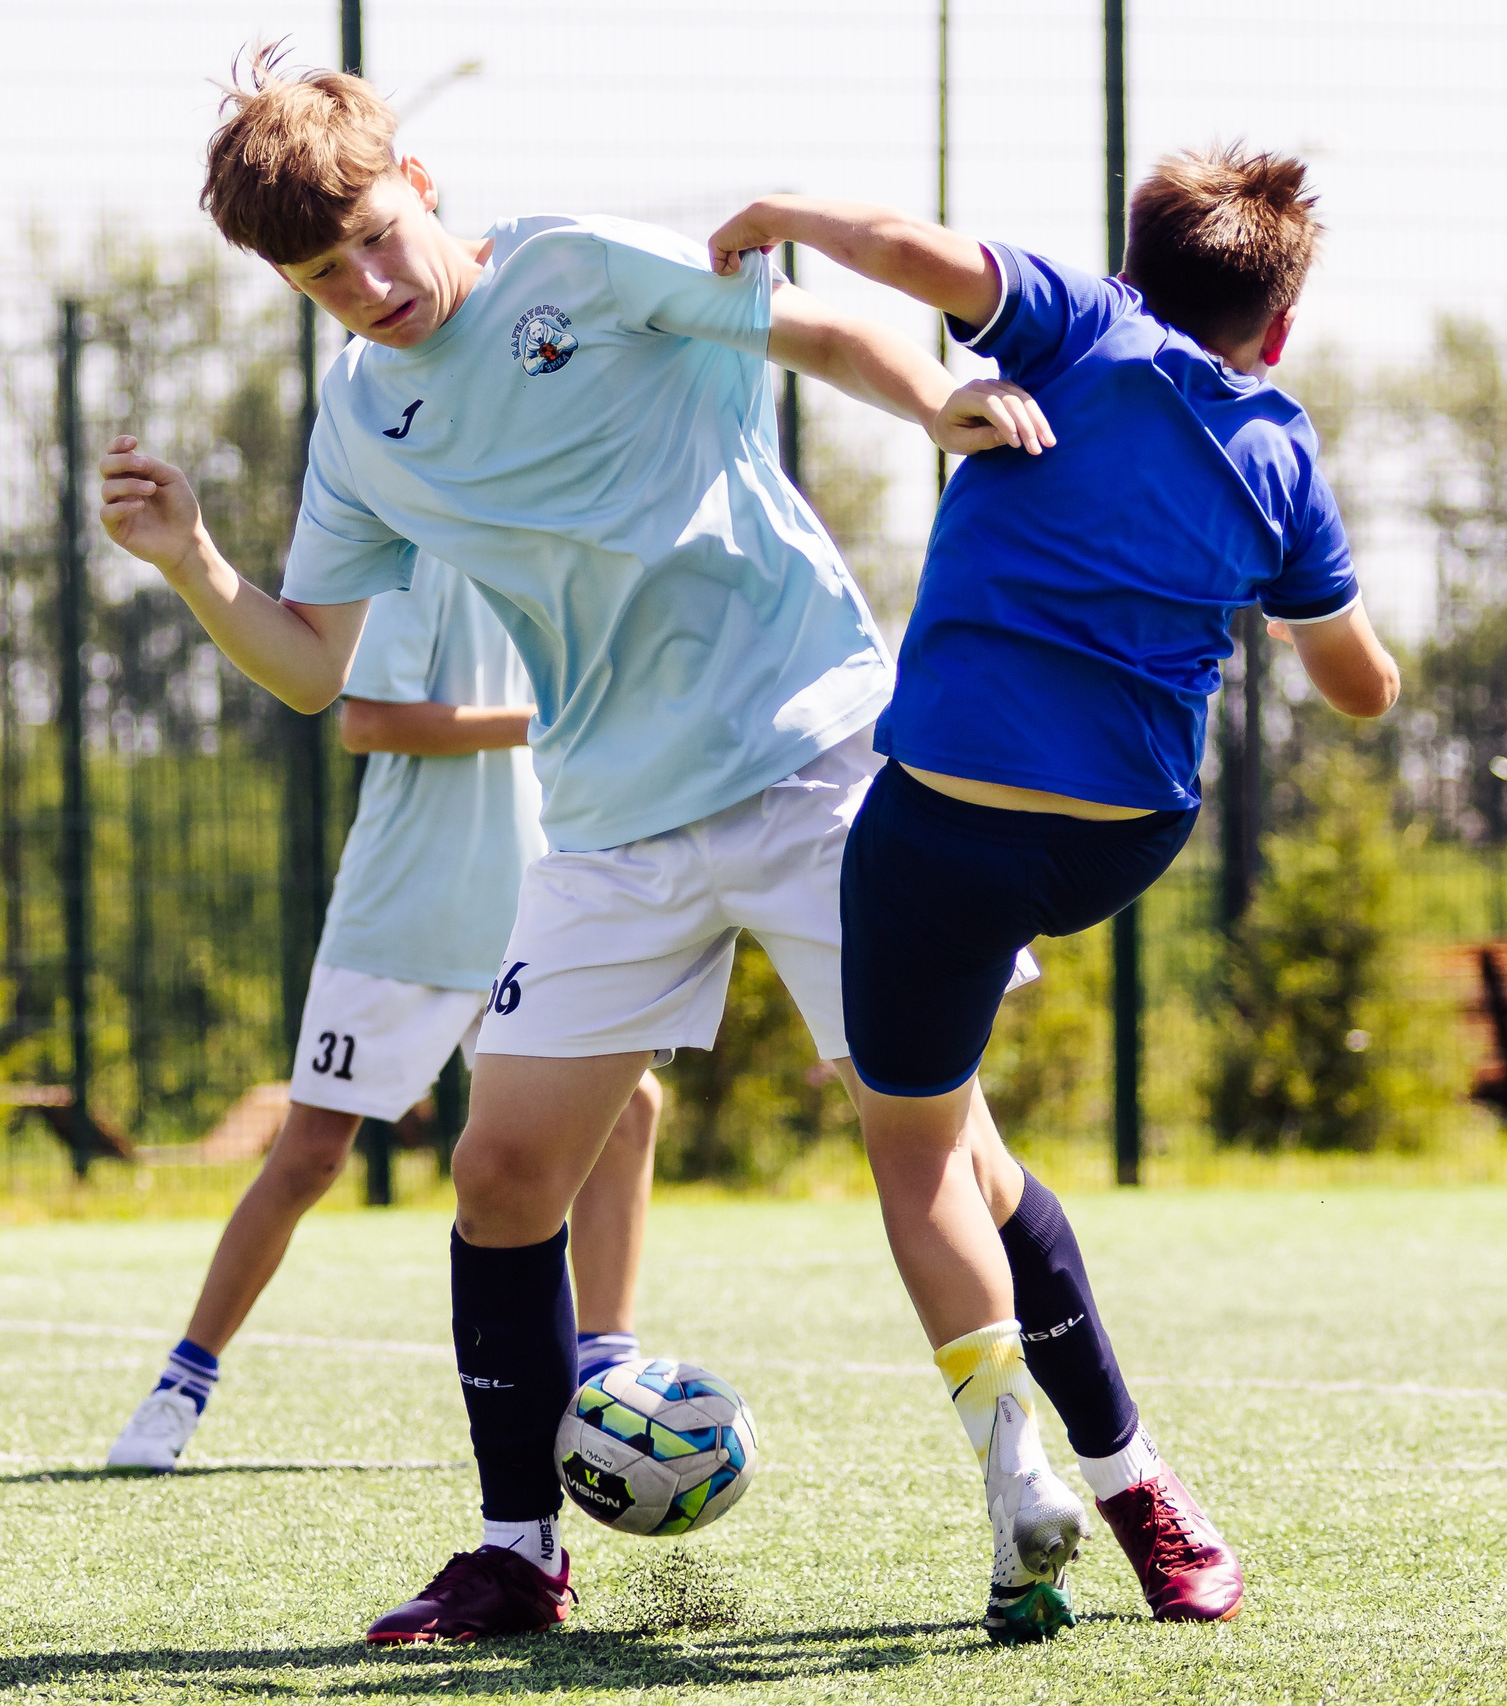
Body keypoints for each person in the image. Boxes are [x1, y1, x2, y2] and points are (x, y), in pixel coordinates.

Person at [99, 54, 1086, 1648]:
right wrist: (196, 559)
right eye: (318, 278)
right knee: (497, 1171)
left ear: (414, 179)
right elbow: (315, 666)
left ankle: (1037, 1485)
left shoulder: (571, 264)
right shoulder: (364, 423)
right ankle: (516, 1552)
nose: (364, 288)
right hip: (616, 818)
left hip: (816, 757)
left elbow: (812, 328)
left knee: (944, 1150)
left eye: (368, 238)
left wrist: (938, 404)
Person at [706, 144, 1405, 1627]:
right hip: (1119, 837)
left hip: (947, 822)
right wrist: (1334, 628)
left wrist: (780, 215)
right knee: (976, 1148)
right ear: (1276, 329)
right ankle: (1141, 1484)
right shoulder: (1282, 449)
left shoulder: (1085, 322)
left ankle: (1013, 1463)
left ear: (1138, 271)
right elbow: (1356, 685)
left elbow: (903, 241)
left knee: (914, 1159)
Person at [106, 556, 662, 1473]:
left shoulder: (551, 548)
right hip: (402, 915)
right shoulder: (418, 557)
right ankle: (180, 1386)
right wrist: (548, 721)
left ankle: (606, 1374)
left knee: (631, 1108)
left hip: (527, 910)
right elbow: (368, 722)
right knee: (311, 1154)